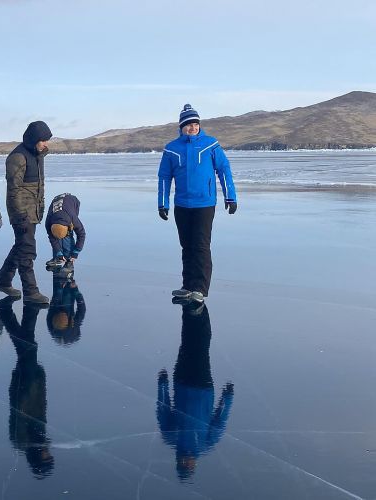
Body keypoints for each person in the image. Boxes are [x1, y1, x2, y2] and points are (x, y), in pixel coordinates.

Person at [157, 104, 237, 303]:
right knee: (187, 246)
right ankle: (188, 285)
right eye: (188, 124)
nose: (192, 127)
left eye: (195, 124)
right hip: (182, 205)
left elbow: (224, 170)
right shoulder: (172, 149)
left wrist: (231, 197)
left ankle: (200, 289)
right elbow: (164, 177)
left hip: (204, 204)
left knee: (201, 246)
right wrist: (162, 203)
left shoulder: (211, 144)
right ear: (181, 126)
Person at [156, 302, 234, 482]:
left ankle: (189, 308)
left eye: (184, 464)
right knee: (201, 346)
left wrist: (162, 385)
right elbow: (219, 420)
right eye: (189, 466)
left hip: (181, 381)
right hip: (202, 386)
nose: (187, 462)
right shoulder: (206, 444)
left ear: (178, 462)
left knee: (187, 343)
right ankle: (199, 309)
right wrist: (227, 398)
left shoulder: (172, 439)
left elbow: (163, 410)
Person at [0, 121, 52, 305]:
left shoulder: (37, 155)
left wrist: (39, 208)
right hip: (22, 213)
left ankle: (3, 281)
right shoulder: (18, 157)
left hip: (32, 212)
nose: (45, 144)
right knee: (27, 251)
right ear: (34, 139)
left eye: (46, 141)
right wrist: (20, 215)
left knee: (20, 247)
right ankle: (30, 292)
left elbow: (37, 187)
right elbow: (14, 190)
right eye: (43, 140)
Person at [0, 301, 54, 478]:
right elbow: (41, 407)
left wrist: (27, 387)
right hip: (31, 387)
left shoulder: (23, 439)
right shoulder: (36, 439)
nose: (48, 453)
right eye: (49, 456)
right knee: (26, 345)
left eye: (46, 457)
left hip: (25, 387)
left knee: (27, 346)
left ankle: (5, 312)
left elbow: (21, 411)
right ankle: (7, 312)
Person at [44, 193, 85, 270]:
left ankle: (69, 259)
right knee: (56, 237)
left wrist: (76, 252)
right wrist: (58, 252)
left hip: (72, 202)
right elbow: (52, 238)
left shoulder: (73, 219)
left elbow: (81, 235)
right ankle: (58, 258)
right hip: (58, 204)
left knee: (68, 236)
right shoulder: (48, 223)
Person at [46, 277, 85, 345]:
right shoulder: (74, 326)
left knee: (58, 292)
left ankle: (59, 278)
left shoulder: (51, 322)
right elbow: (82, 310)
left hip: (58, 311)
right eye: (64, 314)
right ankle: (68, 281)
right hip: (72, 330)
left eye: (62, 313)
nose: (62, 312)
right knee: (67, 296)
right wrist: (76, 290)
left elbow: (54, 301)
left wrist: (59, 289)